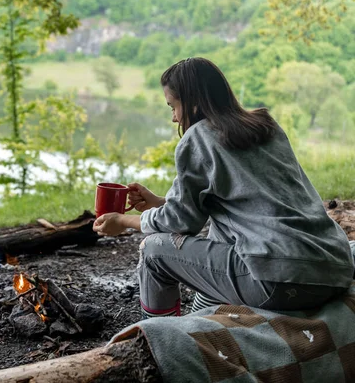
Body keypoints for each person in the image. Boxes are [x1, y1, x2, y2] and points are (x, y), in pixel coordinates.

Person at [93, 57, 354, 318]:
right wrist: (159, 203)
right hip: (335, 269)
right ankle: (201, 319)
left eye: (173, 106)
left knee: (152, 250)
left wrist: (123, 221)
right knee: (221, 233)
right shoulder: (266, 126)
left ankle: (156, 337)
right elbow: (241, 202)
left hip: (279, 282)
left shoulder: (198, 137)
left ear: (193, 102)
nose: (173, 118)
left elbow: (179, 225)